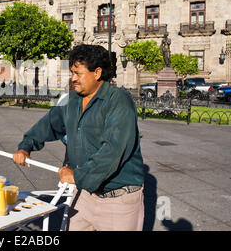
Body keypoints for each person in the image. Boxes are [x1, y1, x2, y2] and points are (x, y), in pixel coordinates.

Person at [13, 44, 145, 231]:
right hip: (82, 195)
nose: (73, 78)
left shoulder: (118, 100)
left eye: (78, 73)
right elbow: (49, 124)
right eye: (72, 73)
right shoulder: (72, 99)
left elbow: (113, 150)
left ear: (97, 73)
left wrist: (77, 175)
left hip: (117, 201)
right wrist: (26, 146)